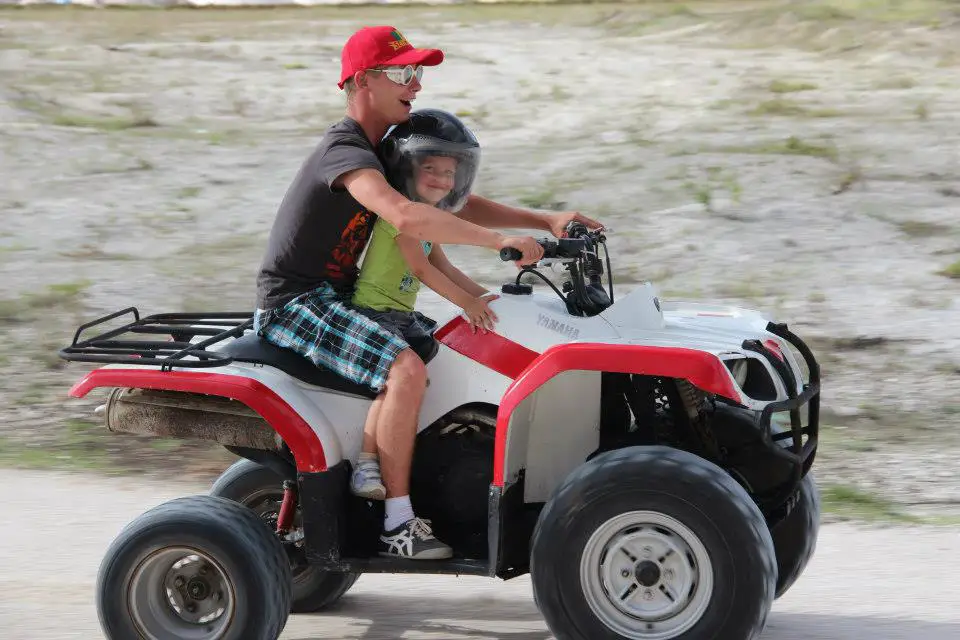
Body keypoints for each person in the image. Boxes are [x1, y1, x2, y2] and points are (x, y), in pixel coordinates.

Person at [254, 25, 602, 560]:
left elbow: (449, 199)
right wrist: (497, 243)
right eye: (402, 73)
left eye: (418, 73)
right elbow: (404, 213)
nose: (415, 84)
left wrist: (546, 219)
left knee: (449, 356)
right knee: (405, 370)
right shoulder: (344, 150)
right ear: (362, 80)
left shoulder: (384, 148)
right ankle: (397, 525)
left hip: (339, 300)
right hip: (297, 303)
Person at [348, 109, 497, 507]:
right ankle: (366, 463)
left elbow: (442, 265)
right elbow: (420, 269)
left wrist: (486, 296)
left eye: (450, 173)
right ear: (408, 168)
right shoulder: (403, 218)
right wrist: (466, 303)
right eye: (431, 168)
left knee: (434, 366)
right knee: (394, 383)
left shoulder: (428, 219)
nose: (442, 180)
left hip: (400, 314)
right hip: (375, 312)